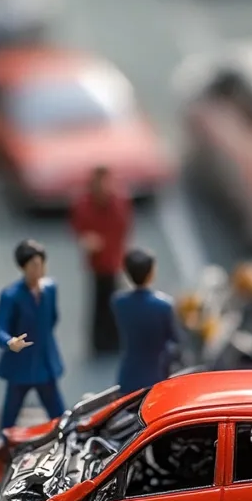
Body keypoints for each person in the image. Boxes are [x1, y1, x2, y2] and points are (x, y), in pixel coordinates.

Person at [0, 239, 66, 432]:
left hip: (45, 362)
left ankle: (66, 440)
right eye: (34, 265)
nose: (39, 269)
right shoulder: (11, 295)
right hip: (20, 364)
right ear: (23, 268)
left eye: (41, 264)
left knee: (60, 416)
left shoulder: (50, 289)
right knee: (9, 418)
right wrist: (10, 341)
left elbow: (52, 318)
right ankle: (3, 448)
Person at [70, 166, 132, 354]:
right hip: (97, 262)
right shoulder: (84, 204)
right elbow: (78, 227)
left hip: (112, 259)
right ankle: (99, 341)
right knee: (99, 301)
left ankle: (114, 338)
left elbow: (122, 229)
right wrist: (87, 240)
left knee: (113, 299)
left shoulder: (118, 203)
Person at [111, 247, 178, 394]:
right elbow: (174, 338)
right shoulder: (164, 305)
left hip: (128, 373)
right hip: (156, 372)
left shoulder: (118, 301)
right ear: (151, 274)